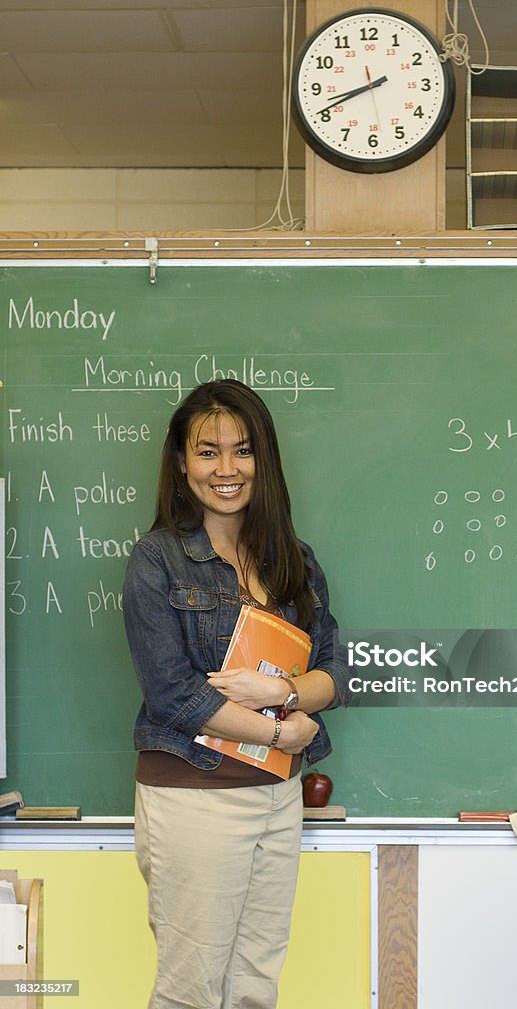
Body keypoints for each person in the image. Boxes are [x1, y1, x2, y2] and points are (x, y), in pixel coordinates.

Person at [122, 380, 351, 1009]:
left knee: (254, 987)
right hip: (196, 794)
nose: (226, 469)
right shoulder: (158, 560)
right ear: (181, 462)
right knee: (192, 992)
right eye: (208, 451)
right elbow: (173, 695)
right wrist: (284, 728)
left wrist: (282, 690)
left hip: (277, 794)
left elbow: (335, 667)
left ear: (265, 460)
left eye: (242, 450)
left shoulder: (293, 560)